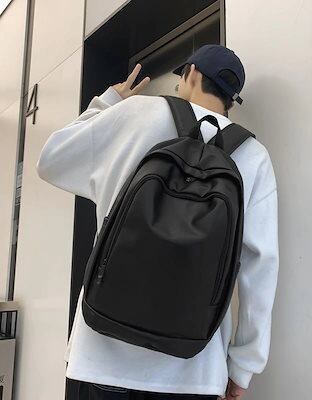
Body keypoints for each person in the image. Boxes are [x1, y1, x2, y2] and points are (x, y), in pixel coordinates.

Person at [36, 44, 279, 400]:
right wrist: (243, 367)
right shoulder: (254, 157)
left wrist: (109, 101)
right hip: (194, 368)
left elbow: (51, 160)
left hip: (103, 356)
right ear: (231, 98)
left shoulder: (134, 113)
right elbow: (261, 268)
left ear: (191, 73)